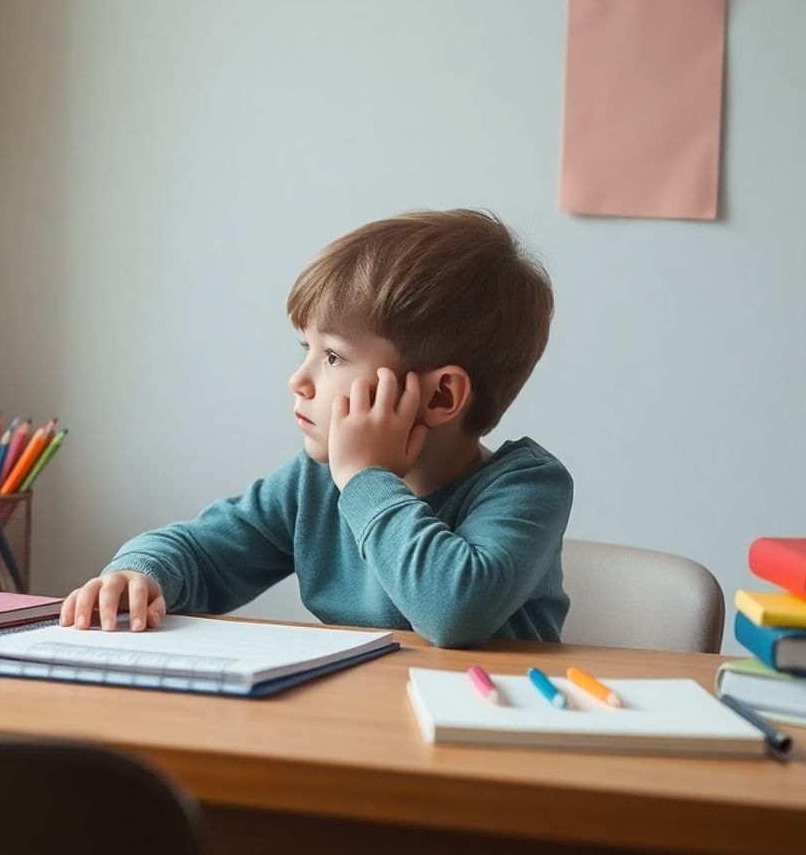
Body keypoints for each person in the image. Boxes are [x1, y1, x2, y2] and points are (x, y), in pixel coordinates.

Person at [60, 209, 573, 648]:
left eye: (332, 356)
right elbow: (202, 553)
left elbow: (454, 611)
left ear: (440, 397)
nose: (299, 380)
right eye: (304, 349)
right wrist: (140, 573)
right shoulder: (314, 482)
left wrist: (365, 477)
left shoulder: (527, 487)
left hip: (489, 747)